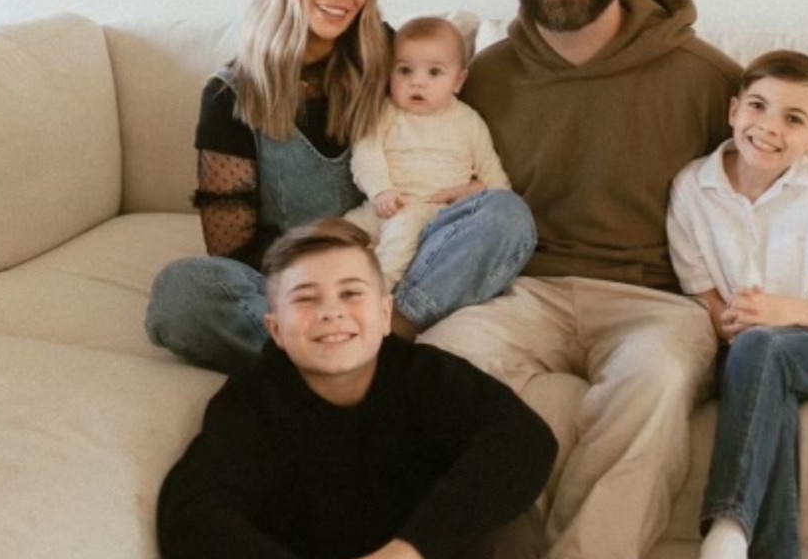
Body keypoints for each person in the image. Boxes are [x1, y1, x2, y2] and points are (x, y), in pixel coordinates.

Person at [418, 0, 808, 559]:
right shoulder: (483, 79)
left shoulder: (700, 76)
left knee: (657, 381)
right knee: (435, 367)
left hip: (655, 303)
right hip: (524, 295)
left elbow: (805, 195)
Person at [144, 0, 536, 373]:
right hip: (298, 283)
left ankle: (377, 338)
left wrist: (475, 189)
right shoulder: (232, 95)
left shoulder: (383, 54)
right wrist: (323, 271)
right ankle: (363, 355)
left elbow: (442, 119)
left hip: (399, 263)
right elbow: (231, 250)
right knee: (182, 292)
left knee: (506, 215)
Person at [156, 218, 557, 559]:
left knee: (510, 520)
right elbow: (192, 510)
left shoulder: (425, 375)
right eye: (305, 299)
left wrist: (409, 550)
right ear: (275, 329)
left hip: (426, 544)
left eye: (350, 293)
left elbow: (523, 437)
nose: (331, 311)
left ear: (385, 314)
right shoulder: (254, 402)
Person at [667, 51, 808, 559]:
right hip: (737, 349)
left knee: (764, 347)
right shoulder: (692, 187)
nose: (769, 127)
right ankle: (743, 545)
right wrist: (732, 323)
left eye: (794, 119)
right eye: (758, 106)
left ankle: (727, 524)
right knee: (764, 380)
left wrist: (782, 312)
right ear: (734, 111)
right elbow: (701, 291)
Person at [343, 17, 510, 289]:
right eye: (405, 70)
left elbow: (496, 179)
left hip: (432, 214)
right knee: (338, 233)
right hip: (382, 204)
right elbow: (366, 154)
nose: (417, 82)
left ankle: (377, 292)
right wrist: (380, 190)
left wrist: (478, 189)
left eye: (434, 72)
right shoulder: (384, 112)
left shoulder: (469, 122)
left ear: (458, 81)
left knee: (402, 235)